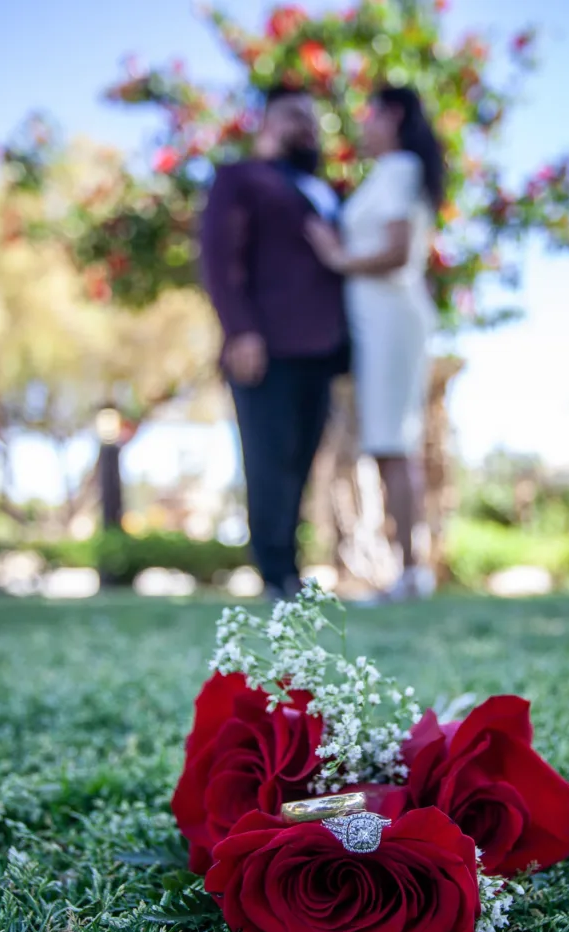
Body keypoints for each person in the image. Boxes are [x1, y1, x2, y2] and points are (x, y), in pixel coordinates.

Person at [200, 85, 349, 601]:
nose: (305, 125)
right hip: (267, 344)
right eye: (292, 116)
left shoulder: (324, 189)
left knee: (304, 458)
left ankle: (290, 567)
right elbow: (220, 260)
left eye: (311, 117)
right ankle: (274, 574)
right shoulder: (241, 179)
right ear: (264, 122)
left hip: (322, 350)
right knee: (268, 459)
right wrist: (241, 330)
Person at [306, 84, 445, 602]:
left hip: (391, 319)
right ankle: (408, 571)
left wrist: (335, 256)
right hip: (376, 323)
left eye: (369, 116)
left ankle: (411, 572)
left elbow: (396, 251)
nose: (363, 126)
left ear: (394, 116)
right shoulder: (391, 174)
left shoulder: (402, 168)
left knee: (392, 443)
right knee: (386, 445)